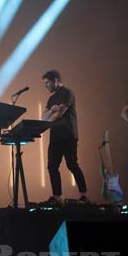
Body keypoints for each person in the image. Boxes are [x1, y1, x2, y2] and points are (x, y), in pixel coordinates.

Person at [41, 70, 88, 203]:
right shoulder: (51, 99)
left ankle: (84, 194)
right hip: (55, 136)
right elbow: (43, 116)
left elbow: (61, 112)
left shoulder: (68, 93)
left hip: (68, 135)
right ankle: (57, 197)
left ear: (55, 80)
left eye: (47, 83)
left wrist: (55, 112)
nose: (46, 86)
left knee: (72, 164)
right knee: (52, 166)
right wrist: (52, 109)